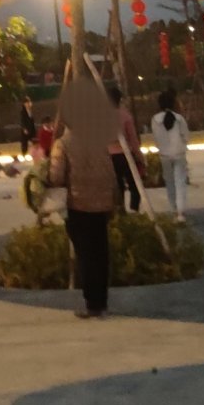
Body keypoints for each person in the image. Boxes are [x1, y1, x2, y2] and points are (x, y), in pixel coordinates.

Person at [45, 106, 120, 319]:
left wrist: (45, 179)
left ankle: (92, 303)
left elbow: (57, 177)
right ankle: (102, 301)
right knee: (101, 253)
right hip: (102, 204)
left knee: (86, 255)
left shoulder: (62, 144)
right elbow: (110, 172)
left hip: (78, 205)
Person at [149, 90, 190, 219]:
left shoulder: (155, 120)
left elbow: (156, 137)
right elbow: (186, 136)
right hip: (179, 153)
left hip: (164, 155)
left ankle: (173, 208)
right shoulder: (179, 118)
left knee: (169, 182)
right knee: (180, 181)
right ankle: (181, 211)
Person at [106, 84, 145, 213]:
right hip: (126, 154)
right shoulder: (125, 116)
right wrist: (139, 156)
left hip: (110, 156)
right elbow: (133, 139)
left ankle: (120, 210)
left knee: (117, 186)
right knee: (134, 183)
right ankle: (134, 209)